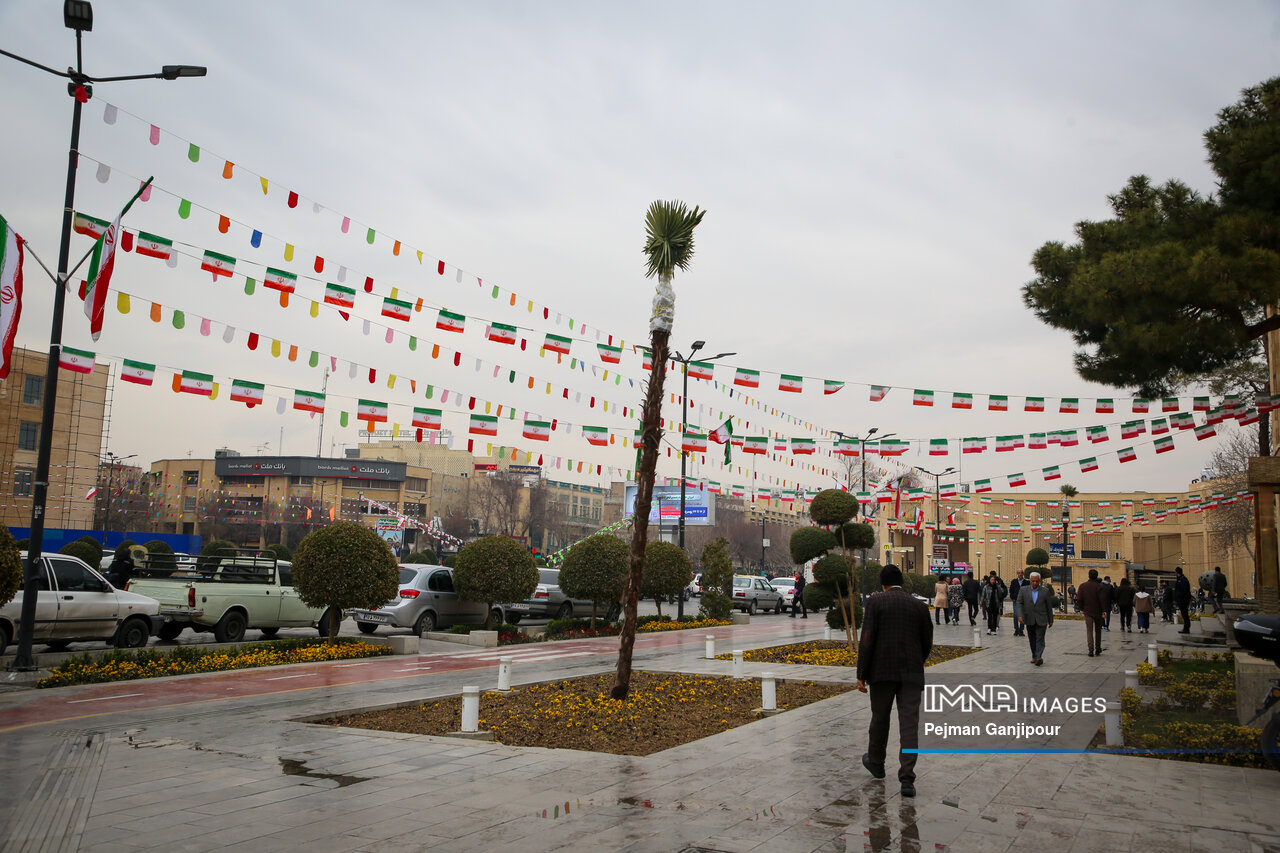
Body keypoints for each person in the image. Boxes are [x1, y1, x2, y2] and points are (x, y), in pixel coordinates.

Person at [856, 564, 933, 799]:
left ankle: (876, 762)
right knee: (909, 724)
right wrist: (916, 660)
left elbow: (867, 639)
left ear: (883, 583)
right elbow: (927, 640)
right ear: (902, 581)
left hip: (881, 672)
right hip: (911, 673)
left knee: (880, 718)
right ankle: (907, 778)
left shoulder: (876, 602)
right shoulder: (919, 606)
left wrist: (861, 673)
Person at [1017, 571, 1054, 666]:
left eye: (1037, 581)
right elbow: (1019, 603)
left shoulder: (1045, 591)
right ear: (1030, 580)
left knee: (1040, 638)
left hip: (1042, 618)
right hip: (1029, 618)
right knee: (1032, 638)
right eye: (1033, 581)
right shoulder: (1023, 590)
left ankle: (1038, 657)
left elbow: (1048, 606)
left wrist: (1050, 619)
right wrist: (1020, 615)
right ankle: (1034, 655)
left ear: (1039, 581)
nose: (1035, 583)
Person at [1076, 569, 1109, 656]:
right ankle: (1098, 648)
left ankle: (1090, 650)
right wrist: (1104, 610)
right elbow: (1103, 600)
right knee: (1098, 630)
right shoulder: (1100, 587)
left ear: (1088, 576)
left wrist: (1082, 608)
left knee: (1089, 631)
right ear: (1097, 576)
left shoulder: (1083, 586)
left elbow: (1079, 599)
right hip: (1098, 611)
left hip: (1087, 611)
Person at [1008, 568, 1027, 637]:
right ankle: (1016, 629)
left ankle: (1021, 630)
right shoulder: (1014, 582)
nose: (1020, 574)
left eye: (1021, 573)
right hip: (1016, 601)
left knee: (1022, 616)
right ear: (1017, 574)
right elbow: (1011, 590)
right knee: (1016, 615)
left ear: (1023, 574)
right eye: (1019, 573)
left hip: (1023, 602)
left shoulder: (1026, 582)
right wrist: (1012, 598)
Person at [1174, 566, 1192, 633]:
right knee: (1184, 614)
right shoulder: (1180, 579)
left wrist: (1181, 598)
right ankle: (1186, 627)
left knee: (1185, 614)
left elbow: (1184, 591)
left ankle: (1186, 628)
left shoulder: (1183, 580)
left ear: (1177, 572)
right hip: (1181, 600)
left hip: (1183, 600)